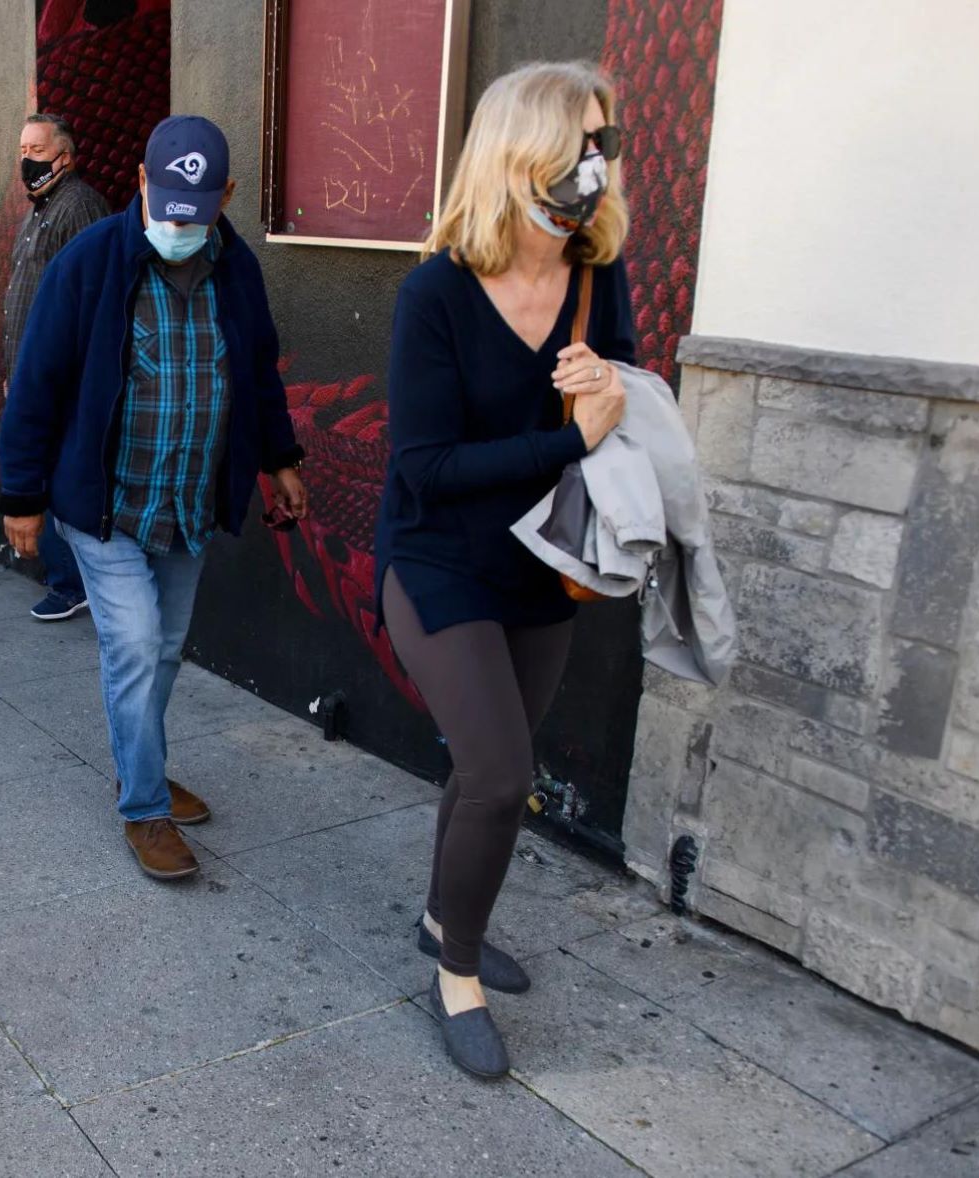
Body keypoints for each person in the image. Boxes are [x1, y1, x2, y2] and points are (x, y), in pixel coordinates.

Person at [376, 61, 632, 1078]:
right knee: (499, 770)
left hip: (542, 564)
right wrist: (568, 443)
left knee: (481, 770)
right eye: (581, 146)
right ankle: (459, 973)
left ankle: (443, 914)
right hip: (438, 560)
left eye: (604, 146)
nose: (596, 168)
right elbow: (426, 468)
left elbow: (612, 400)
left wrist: (602, 390)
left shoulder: (593, 277)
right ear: (522, 155)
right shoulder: (433, 292)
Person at [0, 116, 308, 882]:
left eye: (194, 211)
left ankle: (143, 762)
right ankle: (144, 807)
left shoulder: (237, 269)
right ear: (141, 180)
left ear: (225, 195)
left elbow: (260, 373)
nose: (177, 224)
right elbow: (35, 382)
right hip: (104, 504)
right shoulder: (90, 262)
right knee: (135, 643)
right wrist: (21, 496)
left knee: (165, 648)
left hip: (189, 498)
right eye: (165, 202)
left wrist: (281, 461)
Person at [3, 113, 109, 623]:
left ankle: (74, 584)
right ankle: (66, 578)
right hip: (32, 374)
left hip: (61, 378)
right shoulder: (39, 209)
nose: (27, 159)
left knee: (61, 477)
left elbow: (92, 297)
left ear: (64, 157)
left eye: (38, 151)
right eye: (22, 149)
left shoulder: (79, 207)